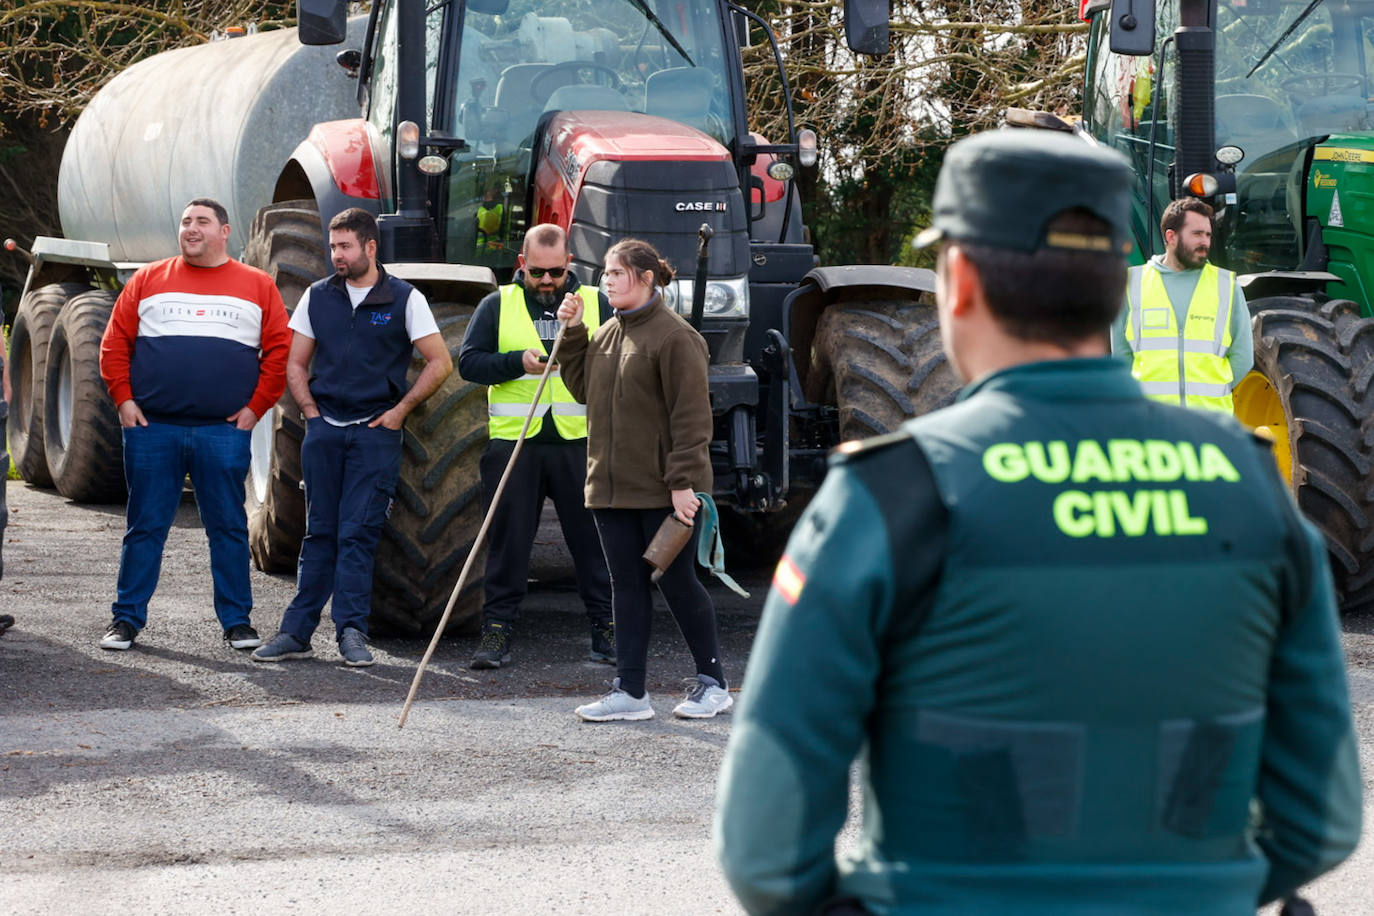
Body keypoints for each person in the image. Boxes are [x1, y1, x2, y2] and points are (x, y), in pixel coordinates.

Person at [715, 130, 1360, 915]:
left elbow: (766, 855)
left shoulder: (888, 497)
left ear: (957, 283)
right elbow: (1321, 821)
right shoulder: (1251, 488)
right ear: (1115, 289)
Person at [252, 208, 452, 667]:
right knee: (319, 532)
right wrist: (309, 412)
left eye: (344, 246)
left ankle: (351, 633)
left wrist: (400, 411)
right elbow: (295, 362)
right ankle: (295, 633)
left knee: (358, 535)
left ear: (370, 247)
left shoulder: (405, 298)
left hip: (374, 435)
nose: (335, 255)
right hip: (324, 433)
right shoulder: (317, 296)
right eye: (332, 246)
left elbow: (440, 362)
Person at [97, 198, 290, 651]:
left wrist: (254, 410)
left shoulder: (257, 284)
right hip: (153, 429)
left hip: (222, 432)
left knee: (228, 527)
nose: (191, 228)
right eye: (185, 221)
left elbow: (280, 351)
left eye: (202, 221)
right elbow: (114, 343)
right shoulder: (148, 279)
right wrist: (123, 400)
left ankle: (237, 622)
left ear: (225, 232)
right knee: (144, 526)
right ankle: (125, 621)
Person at [556, 239, 730, 721]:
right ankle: (630, 693)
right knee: (625, 585)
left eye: (616, 273)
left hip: (662, 487)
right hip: (610, 487)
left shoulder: (677, 338)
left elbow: (692, 419)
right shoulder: (609, 333)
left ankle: (714, 684)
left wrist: (682, 483)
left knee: (677, 581)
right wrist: (572, 333)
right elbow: (583, 390)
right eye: (605, 273)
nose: (606, 280)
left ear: (646, 277)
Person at [458, 224, 615, 669]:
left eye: (557, 272)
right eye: (539, 272)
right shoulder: (497, 305)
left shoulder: (597, 305)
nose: (547, 281)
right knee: (508, 545)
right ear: (522, 264)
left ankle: (606, 629)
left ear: (570, 265)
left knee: (593, 543)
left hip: (579, 445)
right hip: (514, 446)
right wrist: (515, 363)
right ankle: (497, 632)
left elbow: (619, 364)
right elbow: (468, 363)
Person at [1112, 197, 1252, 412]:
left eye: (1208, 234)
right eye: (1197, 234)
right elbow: (1121, 356)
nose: (1205, 242)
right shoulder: (1131, 284)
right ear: (1171, 236)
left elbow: (1243, 356)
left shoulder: (1227, 286)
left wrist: (1213, 391)